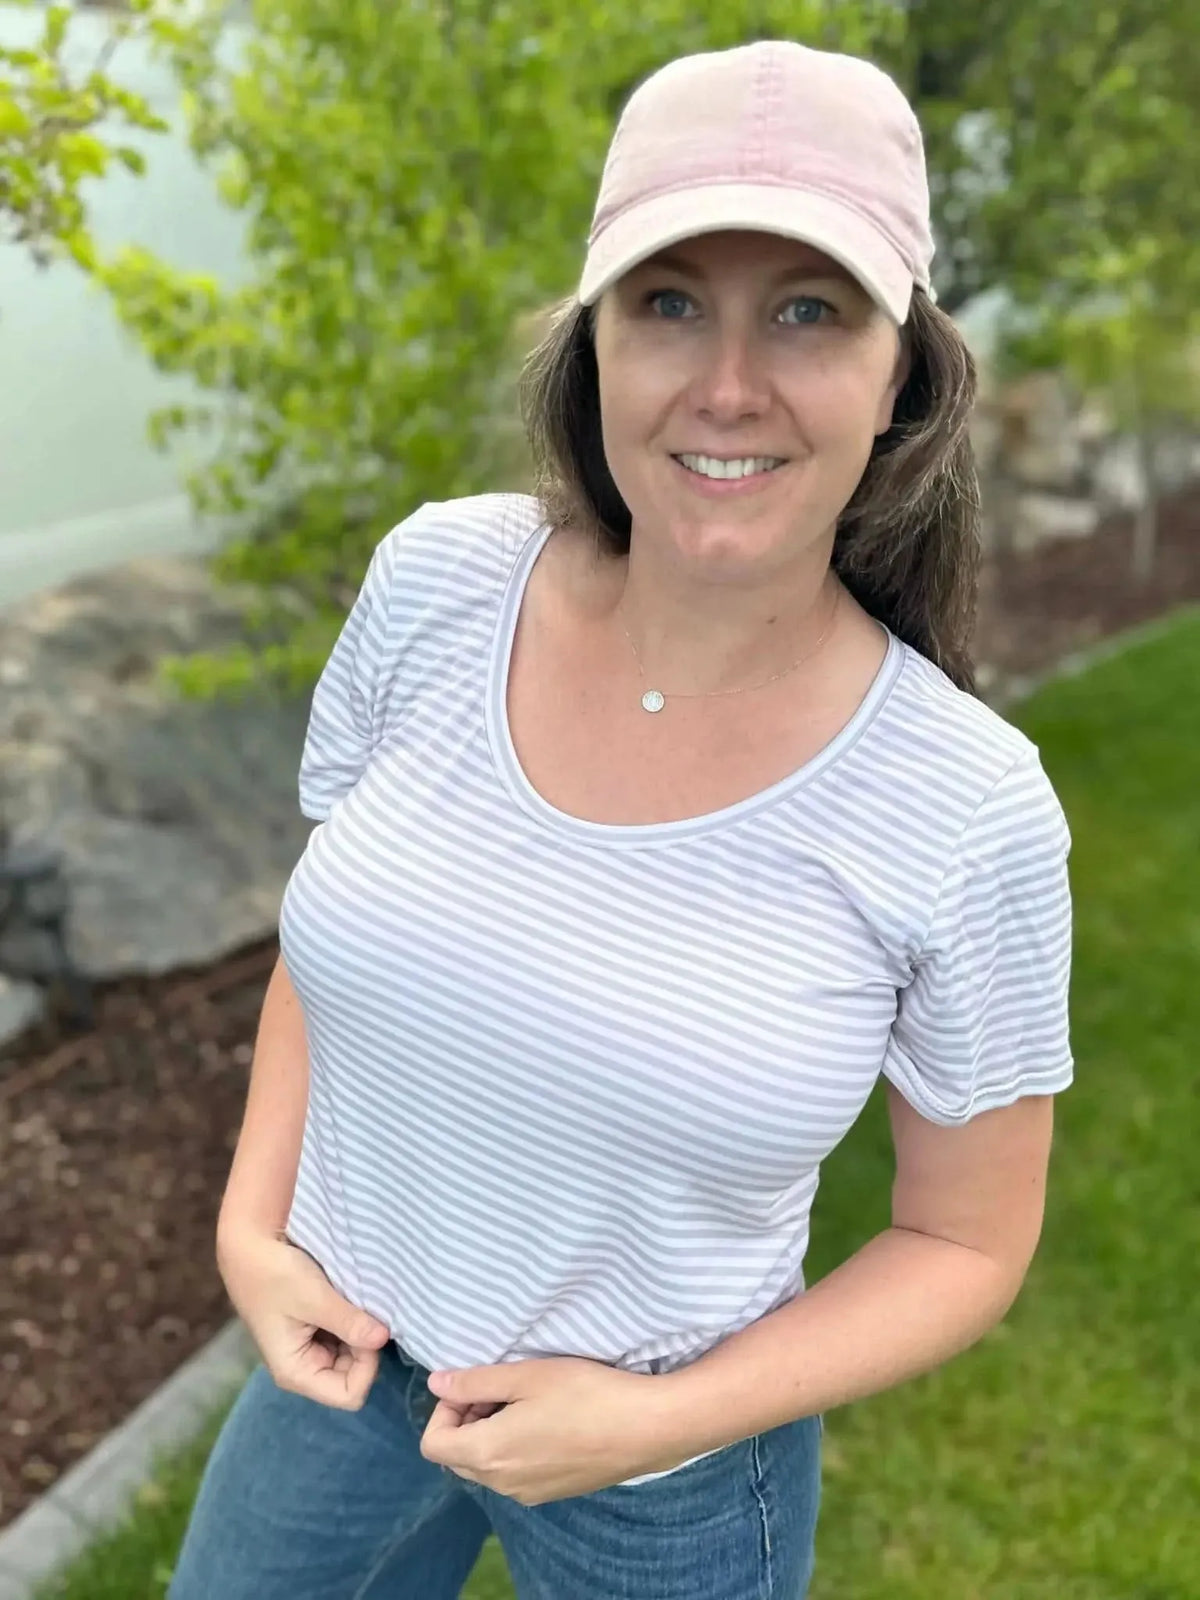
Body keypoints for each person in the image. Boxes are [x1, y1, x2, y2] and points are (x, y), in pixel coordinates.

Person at [168, 37, 1074, 1600]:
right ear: (593, 343)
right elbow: (333, 944)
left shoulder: (965, 806)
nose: (729, 386)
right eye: (669, 304)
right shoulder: (442, 582)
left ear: (903, 371)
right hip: (342, 1363)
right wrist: (257, 1228)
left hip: (666, 1467)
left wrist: (652, 1418)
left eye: (808, 309)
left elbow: (967, 1244)